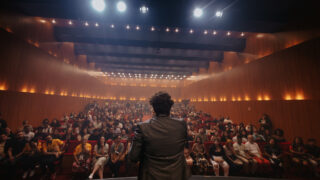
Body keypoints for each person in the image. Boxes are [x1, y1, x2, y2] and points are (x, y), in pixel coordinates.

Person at [129, 92, 189, 180]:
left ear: (153, 109)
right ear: (170, 107)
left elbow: (133, 157)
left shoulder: (142, 127)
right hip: (177, 175)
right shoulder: (182, 125)